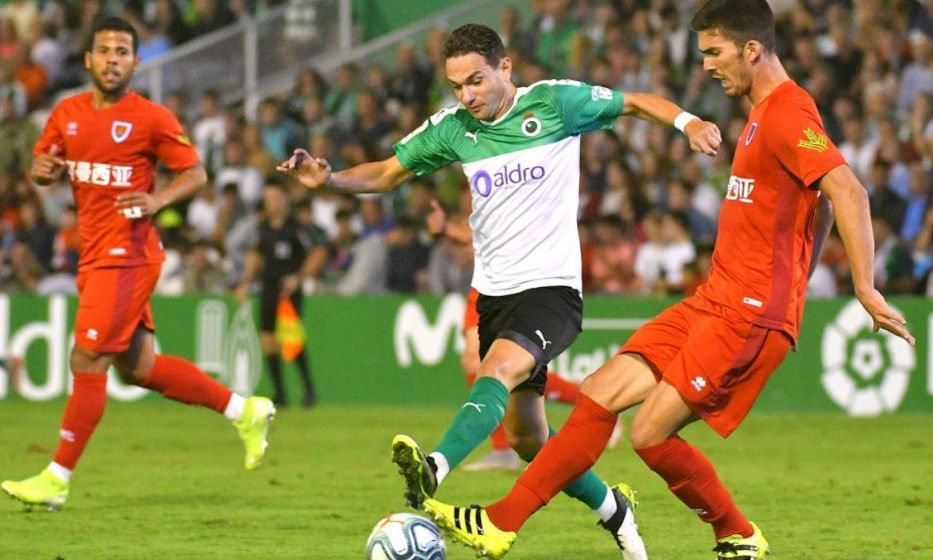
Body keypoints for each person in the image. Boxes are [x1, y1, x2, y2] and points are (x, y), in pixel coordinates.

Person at [422, 3, 916, 559]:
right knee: (599, 393)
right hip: (713, 299)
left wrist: (864, 287)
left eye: (713, 52)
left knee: (649, 434)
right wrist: (800, 256)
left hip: (749, 312)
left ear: (751, 49)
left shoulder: (786, 113)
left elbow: (847, 191)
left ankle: (735, 532)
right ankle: (503, 523)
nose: (704, 65)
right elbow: (817, 204)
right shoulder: (759, 113)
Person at [279, 23, 720, 559]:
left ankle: (434, 468)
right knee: (529, 440)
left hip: (552, 289)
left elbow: (634, 103)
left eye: (477, 81)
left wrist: (688, 121)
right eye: (457, 85)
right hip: (494, 293)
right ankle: (616, 512)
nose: (467, 95)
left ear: (505, 68)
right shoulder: (453, 128)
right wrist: (328, 180)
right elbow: (388, 173)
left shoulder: (557, 104)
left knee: (495, 371)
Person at [1, 17, 275, 511]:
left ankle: (56, 478)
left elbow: (195, 174)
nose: (112, 59)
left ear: (135, 61)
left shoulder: (150, 117)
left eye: (123, 51)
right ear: (87, 59)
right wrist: (42, 172)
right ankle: (244, 409)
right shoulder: (67, 113)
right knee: (140, 369)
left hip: (127, 256)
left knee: (86, 361)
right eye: (103, 50)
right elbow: (44, 167)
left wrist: (155, 201)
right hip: (95, 254)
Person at [424, 199, 618, 472]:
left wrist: (448, 229)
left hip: (516, 283)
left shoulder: (518, 173)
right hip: (486, 281)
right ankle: (506, 447)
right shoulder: (482, 176)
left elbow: (492, 232)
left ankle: (594, 405)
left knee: (503, 366)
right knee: (482, 362)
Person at [236, 181, 327, 407]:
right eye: (268, 199)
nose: (272, 204)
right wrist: (245, 282)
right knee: (267, 338)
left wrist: (299, 277)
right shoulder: (263, 228)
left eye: (276, 198)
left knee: (291, 338)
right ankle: (280, 393)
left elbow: (318, 251)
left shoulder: (297, 228)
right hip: (268, 287)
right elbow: (255, 255)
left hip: (289, 291)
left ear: (286, 199)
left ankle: (308, 389)